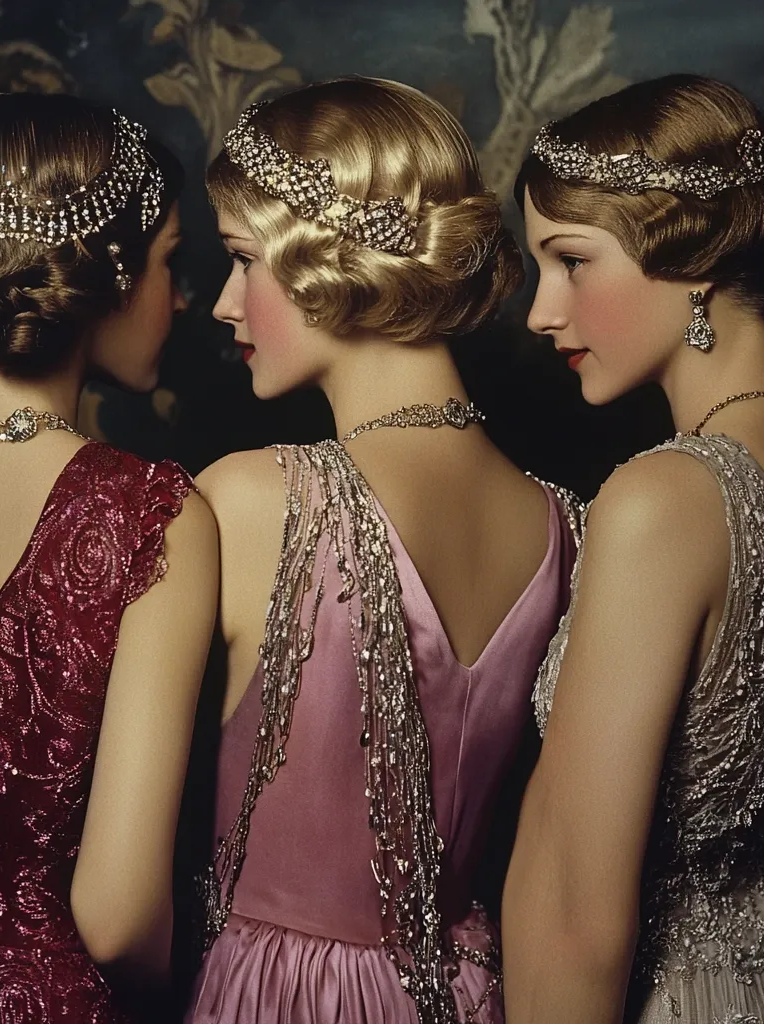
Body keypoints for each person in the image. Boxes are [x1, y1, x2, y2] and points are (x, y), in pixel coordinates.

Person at [184, 77, 580, 1024]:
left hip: (279, 999)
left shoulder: (254, 499)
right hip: (474, 993)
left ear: (330, 258)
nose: (224, 304)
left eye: (242, 259)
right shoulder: (567, 524)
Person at [501, 74, 764, 1024]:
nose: (542, 312)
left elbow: (580, 918)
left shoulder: (663, 499)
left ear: (694, 255)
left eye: (571, 260)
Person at [0, 92, 218, 1022]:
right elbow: (117, 920)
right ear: (105, 271)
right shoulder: (148, 512)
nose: (181, 298)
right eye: (170, 261)